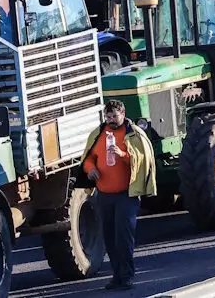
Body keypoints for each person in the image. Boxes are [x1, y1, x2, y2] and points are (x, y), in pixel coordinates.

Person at [80, 99, 157, 289]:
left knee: (124, 237)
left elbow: (141, 161)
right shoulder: (98, 134)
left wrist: (122, 154)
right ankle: (117, 276)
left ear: (123, 114)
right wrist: (90, 170)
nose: (112, 120)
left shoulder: (133, 134)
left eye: (115, 116)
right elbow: (88, 158)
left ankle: (127, 276)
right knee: (110, 237)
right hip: (104, 196)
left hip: (126, 195)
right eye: (108, 116)